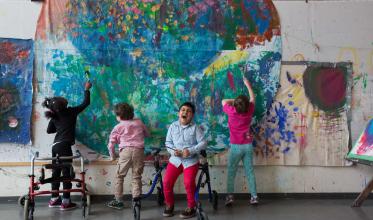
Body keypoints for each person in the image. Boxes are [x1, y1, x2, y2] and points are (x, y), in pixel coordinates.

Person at [42, 81, 92, 210]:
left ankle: (54, 199)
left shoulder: (55, 116)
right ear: (64, 105)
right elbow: (86, 103)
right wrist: (86, 89)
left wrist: (59, 127)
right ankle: (65, 201)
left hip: (55, 146)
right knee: (66, 173)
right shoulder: (70, 112)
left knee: (56, 172)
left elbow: (49, 131)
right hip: (64, 146)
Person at [162, 102, 207, 219]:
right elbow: (168, 143)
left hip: (190, 161)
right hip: (175, 160)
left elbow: (203, 143)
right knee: (166, 182)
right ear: (179, 113)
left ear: (192, 115)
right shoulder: (173, 126)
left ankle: (191, 207)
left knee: (188, 183)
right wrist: (173, 151)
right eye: (183, 110)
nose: (185, 112)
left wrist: (191, 150)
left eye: (188, 111)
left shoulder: (195, 128)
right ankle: (169, 204)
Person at [222, 76, 258, 206]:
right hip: (247, 146)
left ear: (235, 106)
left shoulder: (231, 111)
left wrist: (235, 101)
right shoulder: (249, 110)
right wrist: (248, 84)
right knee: (250, 171)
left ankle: (230, 197)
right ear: (247, 106)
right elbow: (253, 98)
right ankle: (254, 197)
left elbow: (224, 101)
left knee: (232, 171)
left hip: (235, 147)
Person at [106, 103, 150, 210]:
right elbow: (147, 134)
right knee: (136, 176)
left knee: (120, 176)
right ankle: (136, 200)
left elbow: (111, 144)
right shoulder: (139, 122)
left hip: (125, 152)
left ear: (119, 116)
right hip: (139, 151)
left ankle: (118, 201)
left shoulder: (118, 127)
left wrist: (112, 156)